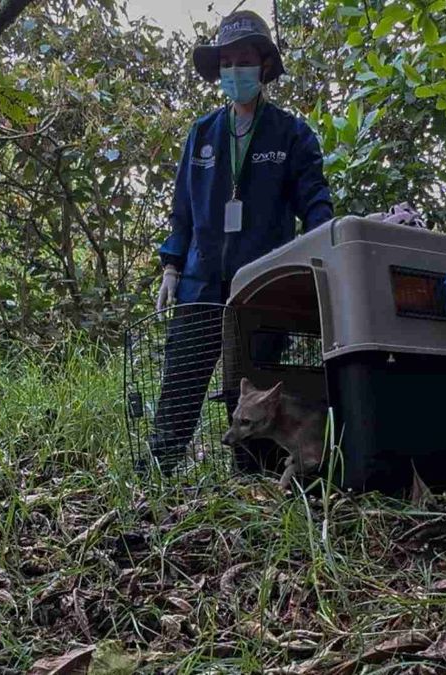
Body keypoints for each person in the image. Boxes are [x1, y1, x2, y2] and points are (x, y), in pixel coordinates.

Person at [148, 10, 334, 470]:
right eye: (226, 62)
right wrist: (172, 267)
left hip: (261, 288)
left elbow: (314, 203)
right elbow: (183, 209)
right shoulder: (203, 134)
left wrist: (323, 254)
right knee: (182, 379)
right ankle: (157, 475)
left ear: (264, 66)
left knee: (252, 391)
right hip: (201, 284)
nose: (235, 71)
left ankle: (251, 491)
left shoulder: (292, 135)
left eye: (244, 60)